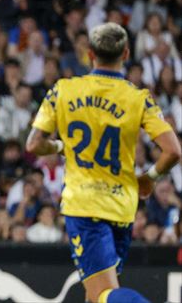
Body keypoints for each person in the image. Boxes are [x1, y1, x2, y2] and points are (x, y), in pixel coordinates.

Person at [26, 22, 181, 303]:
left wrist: (61, 146)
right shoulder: (138, 98)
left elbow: (34, 144)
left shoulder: (64, 90)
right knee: (96, 289)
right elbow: (173, 151)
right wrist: (150, 177)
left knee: (102, 293)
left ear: (89, 55)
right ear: (126, 54)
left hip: (85, 208)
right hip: (122, 207)